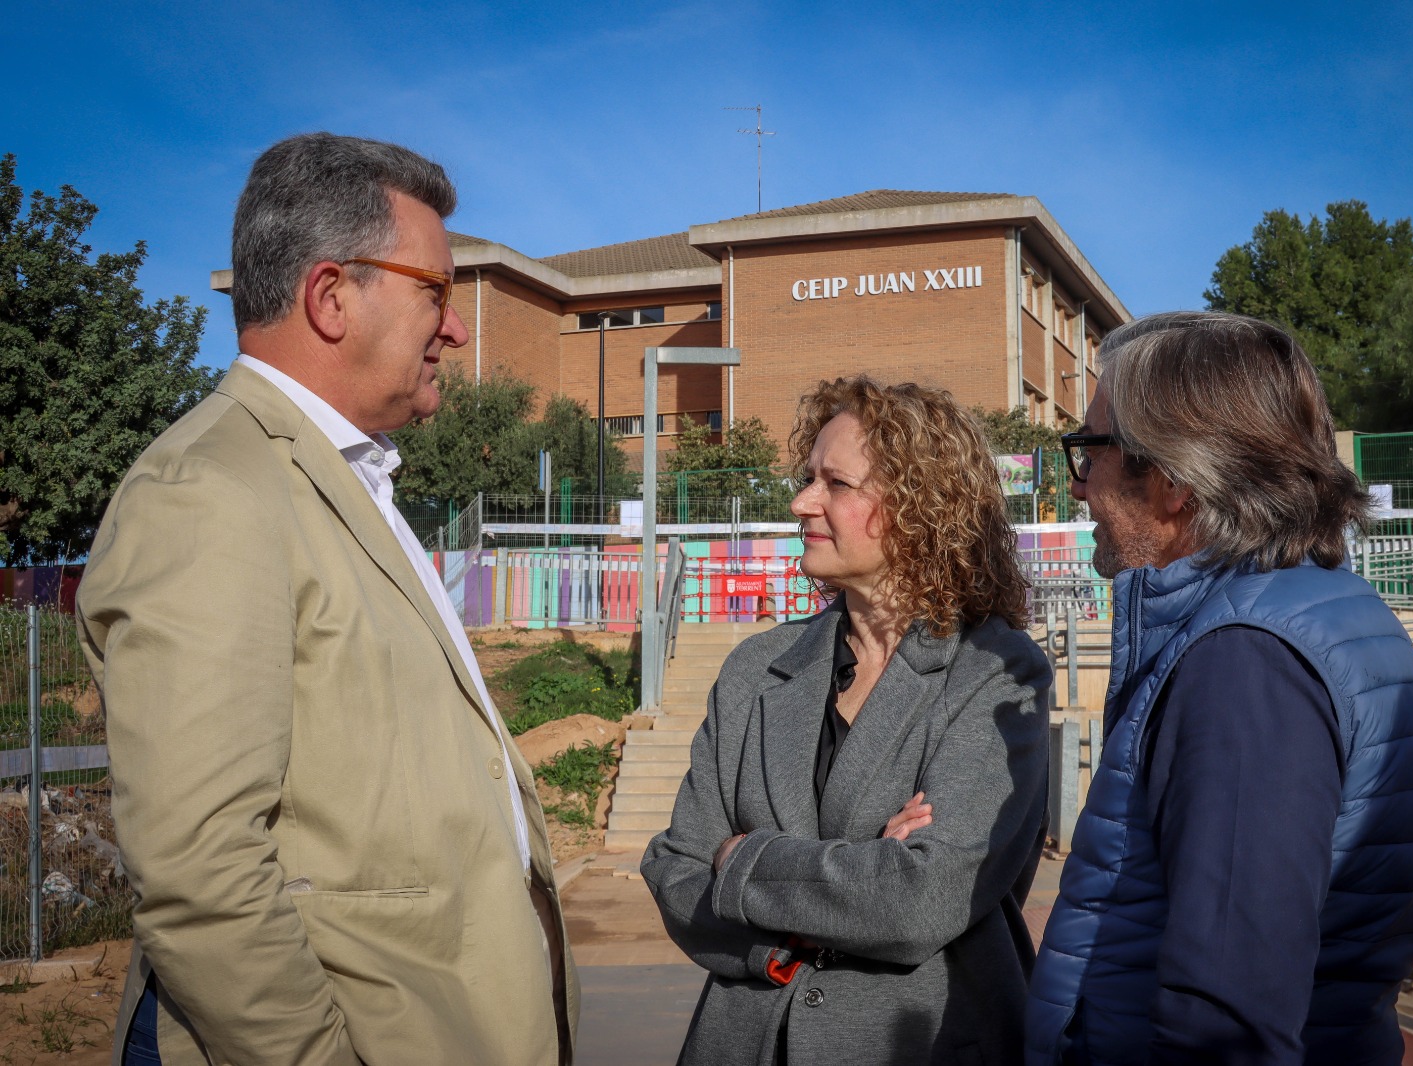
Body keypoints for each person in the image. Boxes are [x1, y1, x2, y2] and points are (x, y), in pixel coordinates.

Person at [76, 133, 577, 1066]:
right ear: (330, 295)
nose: (457, 328)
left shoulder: (340, 482)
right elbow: (202, 875)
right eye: (435, 290)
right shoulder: (210, 493)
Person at [1025, 311, 1413, 1065]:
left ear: (1177, 481)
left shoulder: (1244, 663)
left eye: (1090, 450)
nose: (1079, 483)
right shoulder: (1306, 611)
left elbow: (1225, 1022)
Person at [641, 376, 1051, 1065]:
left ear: (921, 507)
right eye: (808, 479)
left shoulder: (996, 672)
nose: (802, 502)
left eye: (836, 483)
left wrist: (742, 859)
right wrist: (786, 937)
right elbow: (677, 866)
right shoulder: (756, 669)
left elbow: (923, 898)